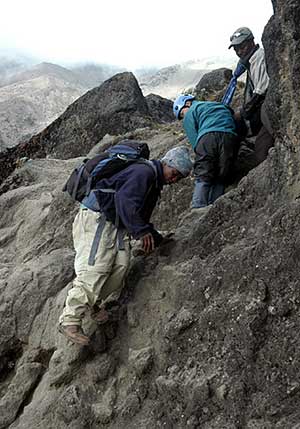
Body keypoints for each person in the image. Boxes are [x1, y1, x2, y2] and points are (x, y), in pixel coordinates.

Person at [58, 145, 193, 345]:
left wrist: (154, 237)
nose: (174, 180)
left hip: (115, 225)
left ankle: (91, 303)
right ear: (166, 163)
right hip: (97, 218)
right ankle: (69, 319)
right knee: (95, 268)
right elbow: (125, 201)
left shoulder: (153, 183)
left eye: (179, 178)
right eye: (174, 173)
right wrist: (141, 231)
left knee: (120, 269)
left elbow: (140, 216)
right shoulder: (144, 172)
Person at [173, 95, 239, 209]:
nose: (183, 117)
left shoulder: (191, 112)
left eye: (182, 113)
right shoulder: (217, 105)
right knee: (222, 176)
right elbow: (232, 115)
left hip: (208, 137)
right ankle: (216, 207)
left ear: (187, 103)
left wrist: (199, 154)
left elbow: (195, 140)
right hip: (230, 136)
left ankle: (198, 208)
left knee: (204, 174)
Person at [228, 26, 274, 164]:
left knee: (261, 152)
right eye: (236, 49)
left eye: (242, 46)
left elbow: (260, 92)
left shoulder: (258, 58)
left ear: (252, 42)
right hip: (261, 112)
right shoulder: (250, 62)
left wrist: (242, 113)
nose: (239, 51)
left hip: (268, 110)